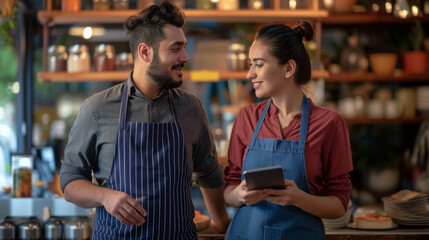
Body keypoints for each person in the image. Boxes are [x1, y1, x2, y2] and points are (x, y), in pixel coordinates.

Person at [59, 1, 230, 239]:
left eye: (184, 48)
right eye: (175, 49)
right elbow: (70, 180)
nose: (185, 57)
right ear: (145, 52)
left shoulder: (191, 108)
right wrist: (104, 196)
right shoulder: (97, 108)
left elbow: (209, 172)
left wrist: (221, 223)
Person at [223, 22, 353, 239]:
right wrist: (240, 194)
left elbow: (339, 204)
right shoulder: (247, 118)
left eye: (259, 64)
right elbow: (229, 190)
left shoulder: (330, 124)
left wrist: (298, 198)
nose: (249, 74)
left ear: (289, 69)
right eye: (250, 64)